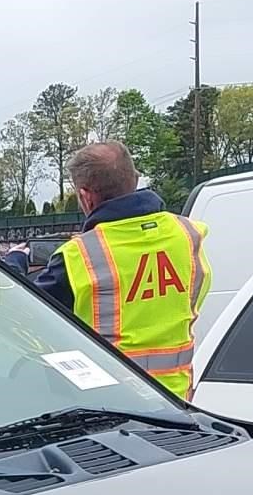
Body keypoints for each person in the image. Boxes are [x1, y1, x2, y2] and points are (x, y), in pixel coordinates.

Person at [32, 141, 211, 399]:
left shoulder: (78, 256)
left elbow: (27, 314)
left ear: (86, 196)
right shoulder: (188, 235)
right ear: (135, 180)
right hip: (176, 403)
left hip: (110, 406)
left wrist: (16, 262)